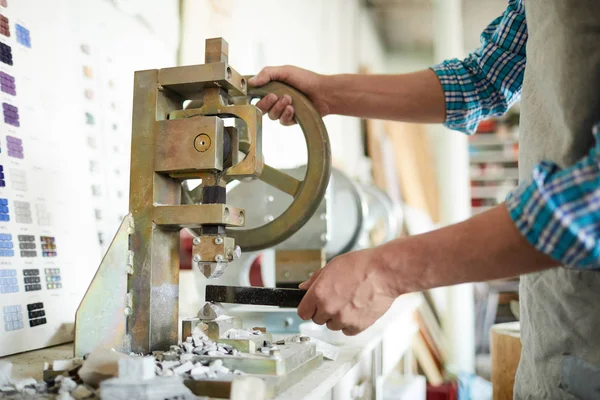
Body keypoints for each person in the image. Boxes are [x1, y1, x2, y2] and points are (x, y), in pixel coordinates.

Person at [248, 1, 600, 398]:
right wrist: (327, 94)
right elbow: (482, 78)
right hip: (554, 334)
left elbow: (591, 204)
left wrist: (385, 272)